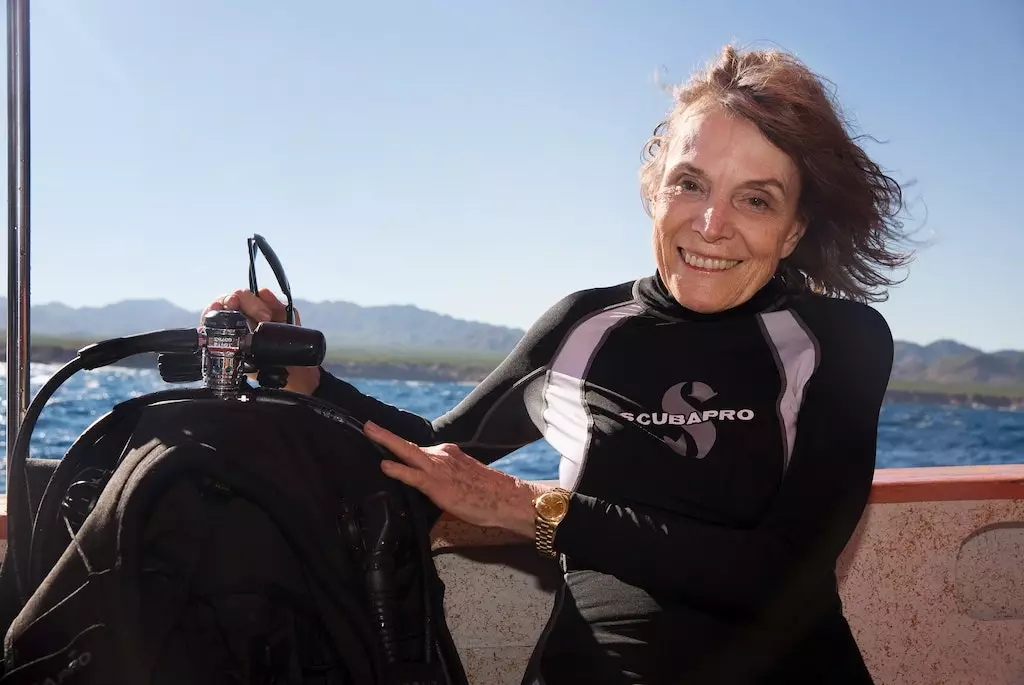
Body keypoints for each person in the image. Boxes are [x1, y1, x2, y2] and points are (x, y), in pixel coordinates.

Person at [205, 44, 911, 684]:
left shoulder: (838, 340)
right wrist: (308, 380)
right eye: (690, 183)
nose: (711, 224)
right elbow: (438, 450)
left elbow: (780, 570)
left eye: (754, 199)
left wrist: (531, 509)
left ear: (793, 229)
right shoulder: (585, 324)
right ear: (653, 187)